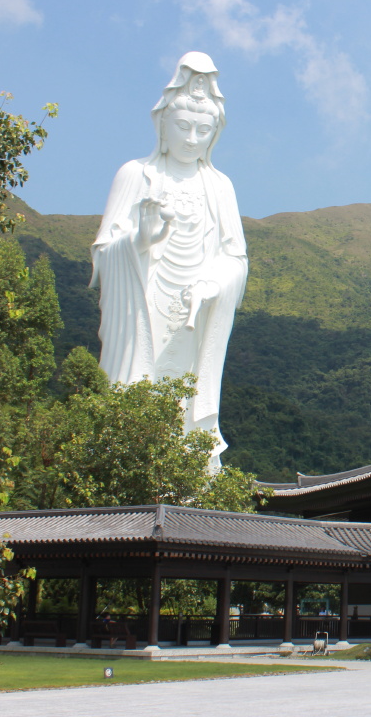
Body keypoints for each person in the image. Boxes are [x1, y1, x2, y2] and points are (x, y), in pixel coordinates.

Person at [90, 52, 247, 468]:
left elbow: (236, 258)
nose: (192, 139)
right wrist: (139, 241)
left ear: (215, 133)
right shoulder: (135, 174)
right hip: (143, 310)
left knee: (185, 404)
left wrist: (213, 284)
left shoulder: (220, 187)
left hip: (195, 316)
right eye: (182, 126)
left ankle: (189, 472)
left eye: (203, 130)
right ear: (162, 124)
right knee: (137, 394)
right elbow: (104, 252)